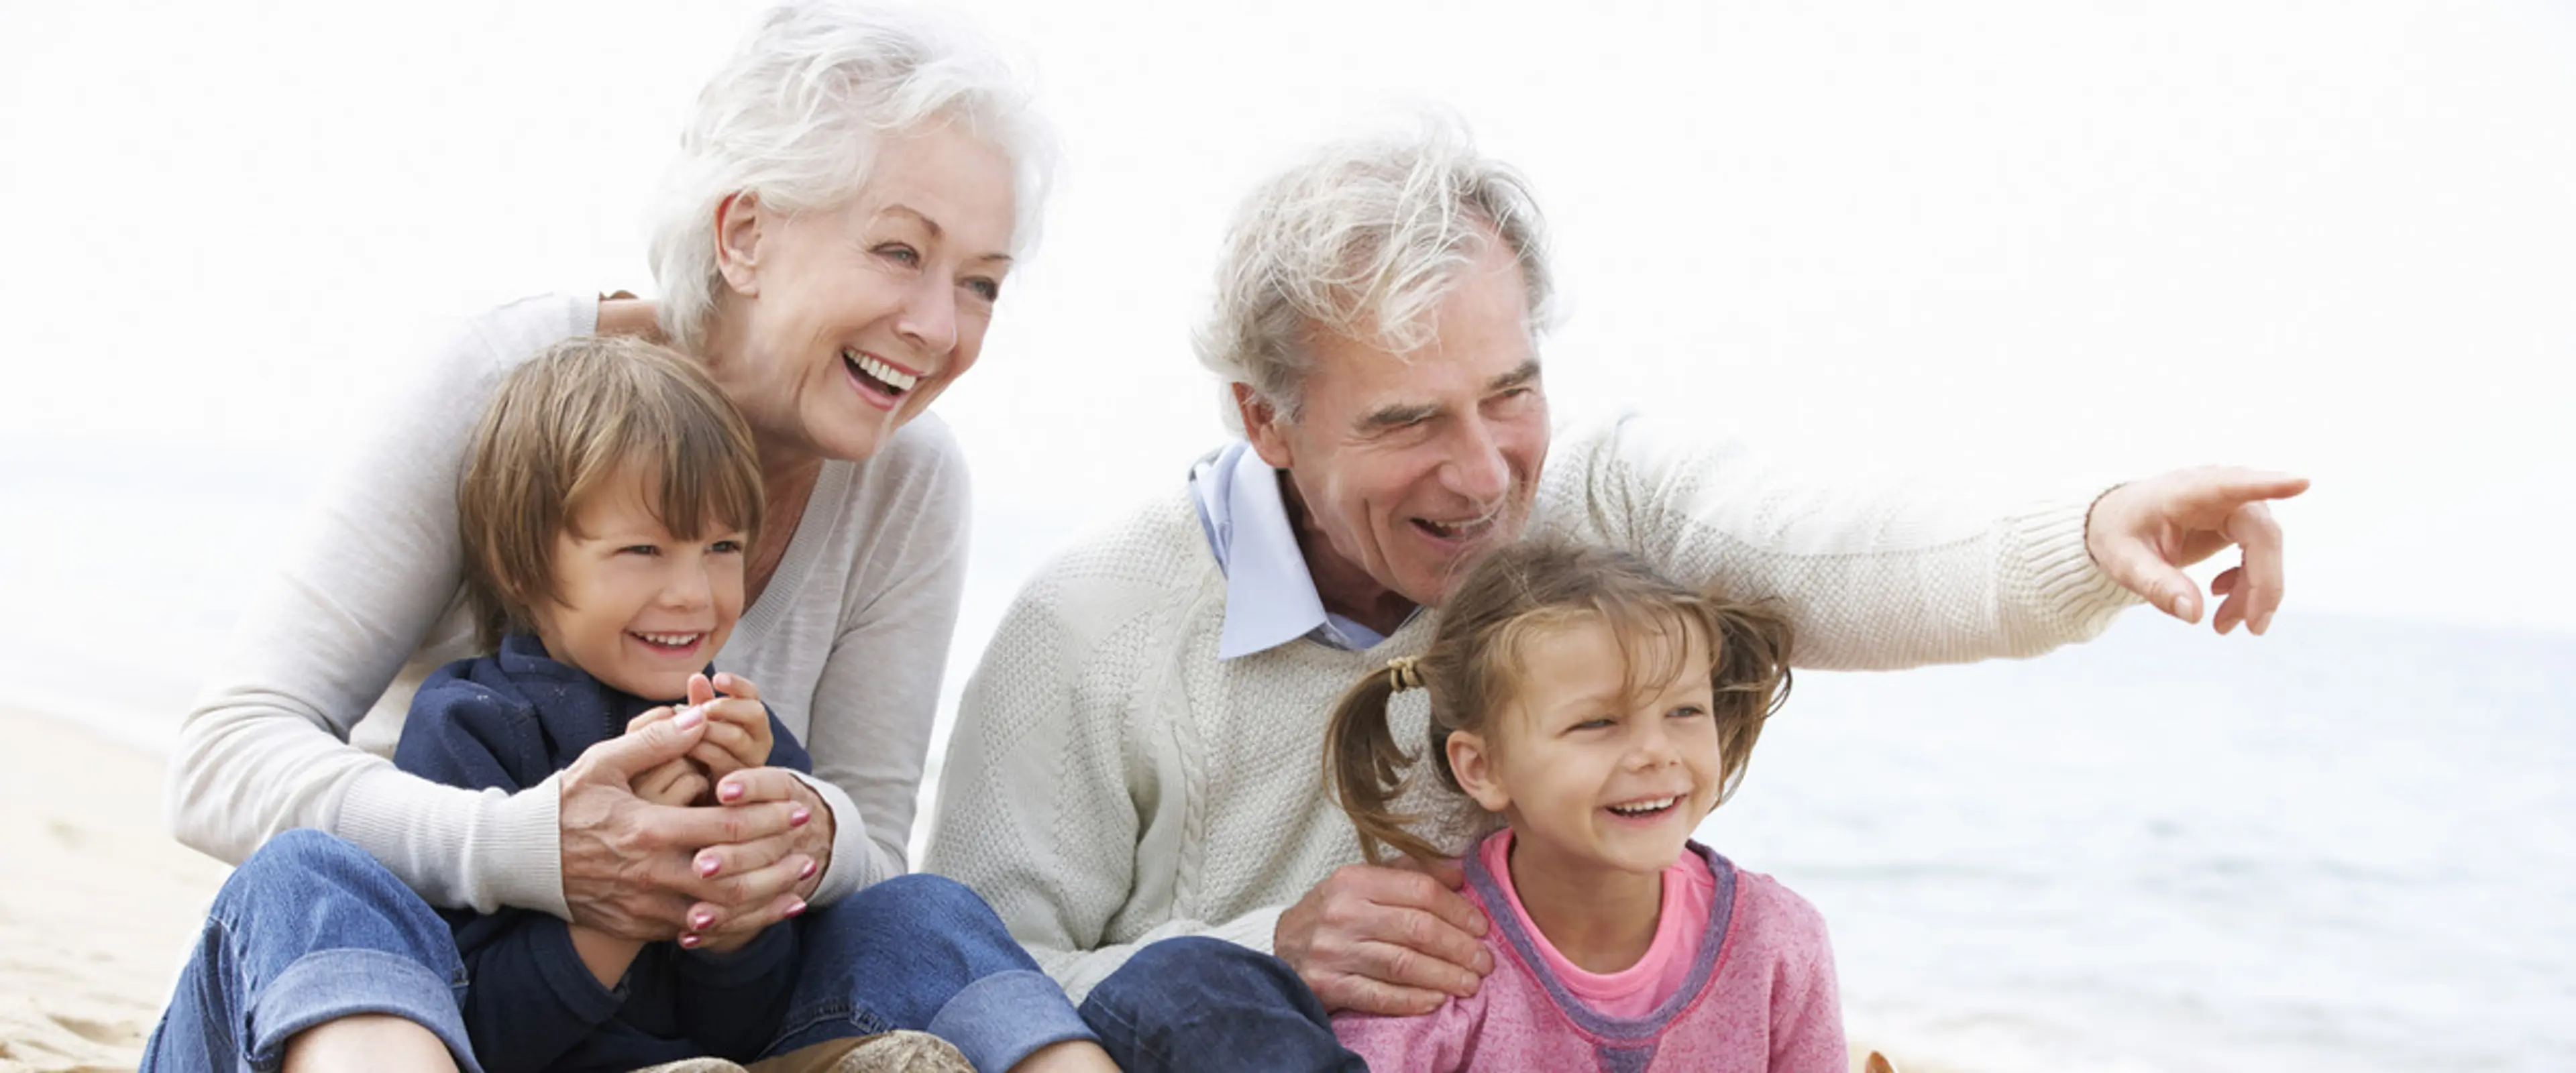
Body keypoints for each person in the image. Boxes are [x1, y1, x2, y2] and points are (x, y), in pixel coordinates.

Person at [922, 113, 2308, 1068]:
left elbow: (1828, 548)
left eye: (1511, 393)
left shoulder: (1595, 500)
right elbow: (971, 979)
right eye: (1410, 420)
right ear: (1266, 419)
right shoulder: (1088, 630)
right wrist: (1261, 943)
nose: (1483, 476)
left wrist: (2083, 536)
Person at [148, 5, 1110, 1071]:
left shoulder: (911, 484)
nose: (940, 327)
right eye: (898, 251)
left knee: (925, 918)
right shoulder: (504, 378)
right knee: (311, 883)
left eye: (981, 282)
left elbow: (869, 856)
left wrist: (792, 843)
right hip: (390, 1008)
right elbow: (220, 762)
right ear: (744, 233)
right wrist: (542, 850)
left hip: (674, 1032)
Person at [1323, 541, 1837, 1071]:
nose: (1655, 752)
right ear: (1483, 767)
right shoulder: (1429, 963)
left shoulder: (1777, 941)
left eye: (1684, 710)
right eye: (1598, 723)